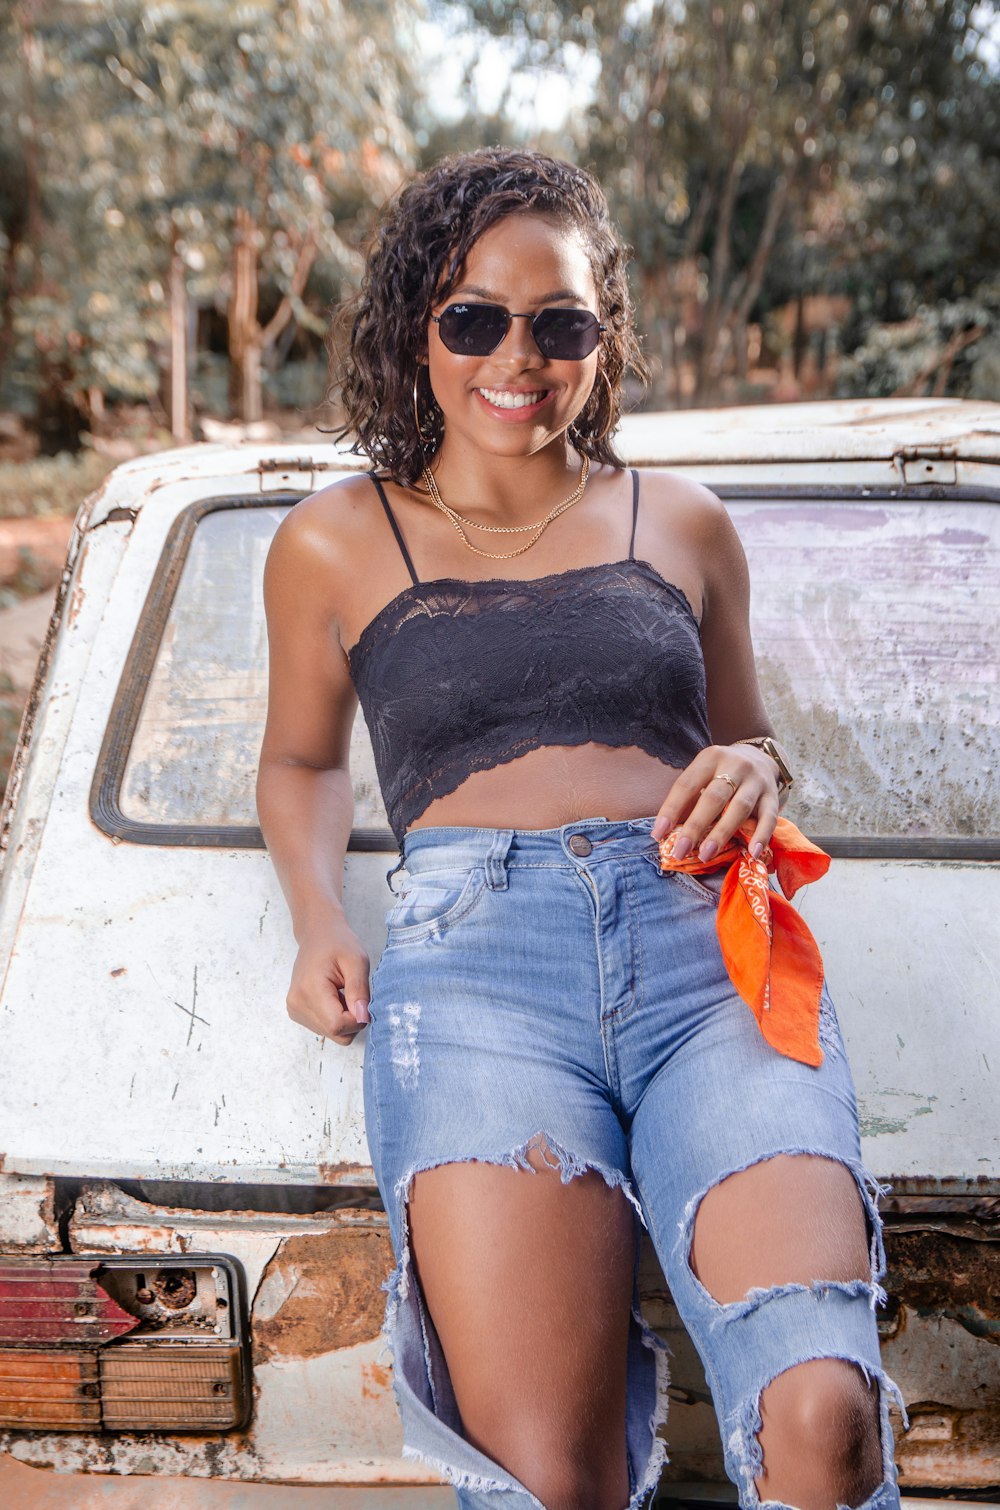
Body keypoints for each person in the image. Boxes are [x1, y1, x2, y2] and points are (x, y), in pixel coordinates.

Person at [256, 148, 904, 1510]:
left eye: (560, 323)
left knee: (823, 1417)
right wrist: (319, 914)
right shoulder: (334, 541)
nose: (519, 357)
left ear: (601, 338)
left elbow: (752, 738)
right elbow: (303, 759)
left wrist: (757, 770)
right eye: (473, 317)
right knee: (555, 1478)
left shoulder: (683, 520)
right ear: (414, 329)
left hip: (708, 956)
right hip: (478, 976)